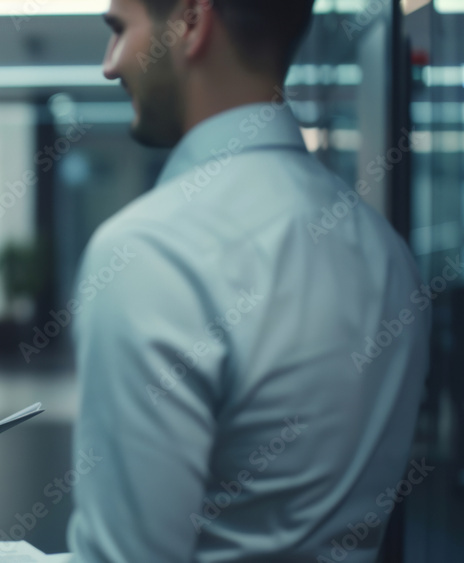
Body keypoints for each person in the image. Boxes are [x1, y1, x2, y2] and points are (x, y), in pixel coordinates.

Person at [67, 1, 430, 561]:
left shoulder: (150, 253)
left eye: (118, 30)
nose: (110, 65)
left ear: (191, 21)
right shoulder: (388, 256)